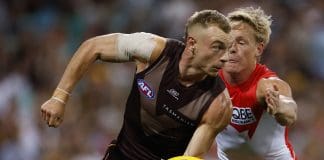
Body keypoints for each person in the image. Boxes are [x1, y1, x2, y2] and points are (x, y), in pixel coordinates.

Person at [40, 10, 233, 160]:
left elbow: (190, 157)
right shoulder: (154, 51)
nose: (225, 58)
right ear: (192, 44)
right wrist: (59, 96)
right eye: (217, 47)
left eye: (227, 49)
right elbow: (93, 47)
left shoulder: (219, 104)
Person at [215, 7, 298, 160]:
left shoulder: (266, 85)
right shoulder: (209, 81)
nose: (232, 49)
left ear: (258, 49)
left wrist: (280, 107)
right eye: (228, 41)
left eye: (241, 42)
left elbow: (290, 111)